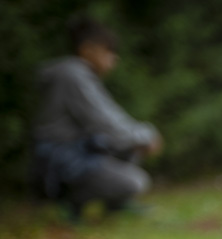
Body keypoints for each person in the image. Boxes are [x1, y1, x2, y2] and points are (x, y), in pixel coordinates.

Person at [32, 15, 162, 221]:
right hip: (62, 160)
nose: (114, 58)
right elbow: (105, 122)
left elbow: (112, 119)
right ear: (87, 49)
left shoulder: (80, 74)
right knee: (136, 182)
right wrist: (146, 137)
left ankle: (116, 204)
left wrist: (142, 134)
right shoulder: (73, 75)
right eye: (109, 51)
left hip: (77, 151)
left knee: (128, 145)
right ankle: (71, 201)